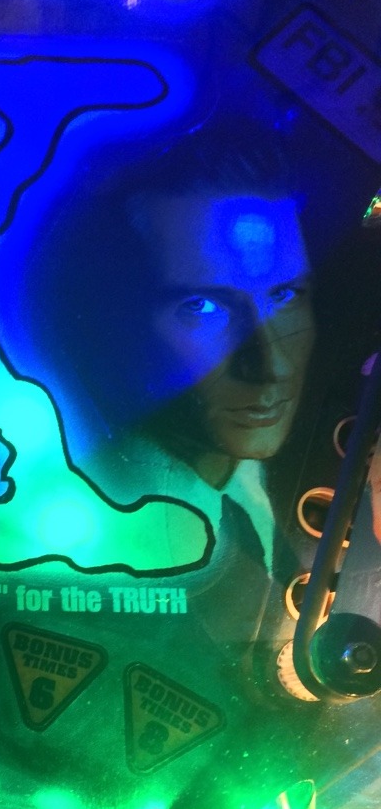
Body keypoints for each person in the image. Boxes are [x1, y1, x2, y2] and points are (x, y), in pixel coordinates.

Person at [35, 120, 316, 576]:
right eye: (203, 306)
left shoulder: (263, 491)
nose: (273, 365)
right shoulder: (66, 541)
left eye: (284, 296)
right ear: (118, 318)